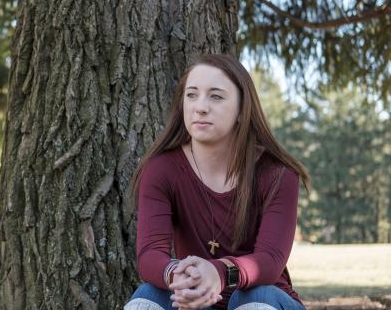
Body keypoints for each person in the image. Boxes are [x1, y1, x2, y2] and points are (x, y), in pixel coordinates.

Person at [124, 54, 310, 310]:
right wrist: (176, 274)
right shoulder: (161, 168)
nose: (200, 106)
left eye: (216, 96)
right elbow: (150, 255)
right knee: (148, 297)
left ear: (242, 110)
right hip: (194, 302)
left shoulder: (278, 173)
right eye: (191, 95)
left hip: (266, 301)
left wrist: (219, 274)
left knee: (255, 299)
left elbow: (269, 262)